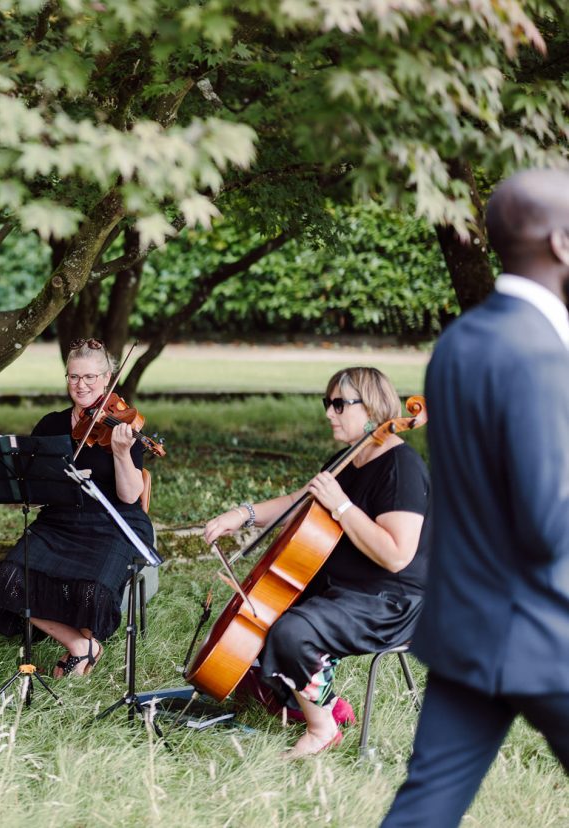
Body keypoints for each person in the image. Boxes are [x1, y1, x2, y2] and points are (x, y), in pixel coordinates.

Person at [382, 170, 569, 826]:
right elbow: (547, 524)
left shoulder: (458, 342)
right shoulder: (543, 354)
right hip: (548, 632)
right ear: (561, 243)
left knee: (424, 809)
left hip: (468, 627)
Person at [203, 366, 429, 758]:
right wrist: (241, 515)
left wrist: (342, 505)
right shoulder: (347, 458)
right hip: (343, 588)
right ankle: (327, 703)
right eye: (329, 403)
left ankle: (321, 729)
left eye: (340, 404)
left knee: (292, 633)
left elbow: (397, 555)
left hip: (391, 601)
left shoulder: (401, 467)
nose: (329, 413)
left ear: (373, 409)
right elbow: (299, 502)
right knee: (258, 614)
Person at [0, 338, 155, 677]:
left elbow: (130, 495)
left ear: (107, 378)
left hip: (114, 520)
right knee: (10, 578)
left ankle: (82, 647)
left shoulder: (122, 425)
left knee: (94, 587)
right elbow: (33, 480)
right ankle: (79, 645)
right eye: (74, 377)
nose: (82, 385)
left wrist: (121, 454)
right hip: (61, 519)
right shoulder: (51, 425)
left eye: (91, 377)